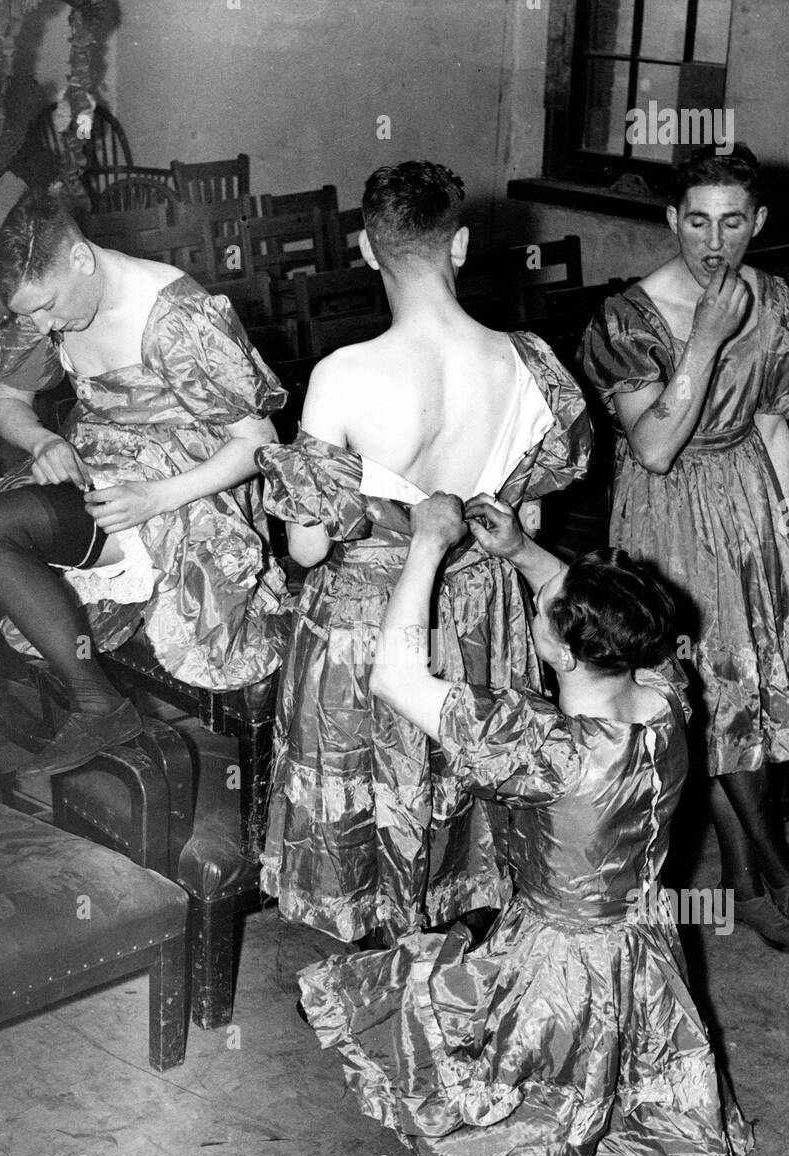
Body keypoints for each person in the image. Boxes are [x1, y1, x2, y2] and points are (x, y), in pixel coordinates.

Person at [298, 493, 755, 1156]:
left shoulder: (544, 748)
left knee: (474, 1047)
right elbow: (587, 607)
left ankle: (542, 1142)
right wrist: (517, 550)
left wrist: (425, 546)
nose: (540, 603)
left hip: (556, 957)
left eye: (548, 610)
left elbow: (393, 680)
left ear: (564, 652)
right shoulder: (667, 694)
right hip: (640, 937)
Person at [0, 176, 290, 859]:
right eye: (32, 316)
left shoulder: (177, 316)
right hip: (100, 473)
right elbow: (7, 406)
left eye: (45, 309)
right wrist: (45, 440)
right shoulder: (49, 304)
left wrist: (156, 497)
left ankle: (97, 703)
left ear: (78, 256)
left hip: (182, 496)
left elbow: (262, 444)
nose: (43, 327)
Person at [258, 161, 592, 943]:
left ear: (368, 253)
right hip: (482, 610)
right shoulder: (528, 363)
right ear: (462, 245)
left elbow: (307, 547)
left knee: (373, 781)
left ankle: (385, 956)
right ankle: (456, 942)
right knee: (462, 770)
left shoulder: (343, 376)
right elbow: (531, 514)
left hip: (372, 620)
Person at [579, 145, 789, 957]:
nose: (711, 239)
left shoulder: (773, 298)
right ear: (670, 220)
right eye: (695, 219)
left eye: (731, 221)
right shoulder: (626, 318)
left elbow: (771, 427)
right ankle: (777, 868)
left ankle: (742, 886)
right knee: (711, 698)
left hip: (746, 509)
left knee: (748, 702)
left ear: (757, 224)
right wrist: (704, 335)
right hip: (665, 518)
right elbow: (655, 446)